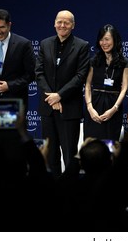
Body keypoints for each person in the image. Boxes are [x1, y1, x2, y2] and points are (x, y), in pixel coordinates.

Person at [35, 10, 90, 179]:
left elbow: (80, 76)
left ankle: (70, 192)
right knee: (50, 154)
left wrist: (59, 96)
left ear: (73, 25)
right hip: (48, 109)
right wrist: (51, 98)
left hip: (69, 109)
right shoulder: (45, 44)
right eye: (59, 22)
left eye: (66, 22)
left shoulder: (82, 46)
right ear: (54, 23)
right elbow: (39, 73)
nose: (62, 25)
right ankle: (54, 192)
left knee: (69, 154)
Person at [83, 24, 128, 141]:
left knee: (110, 144)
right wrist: (90, 108)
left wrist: (114, 109)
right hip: (94, 104)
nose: (104, 43)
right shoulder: (93, 61)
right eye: (101, 39)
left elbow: (124, 88)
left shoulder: (125, 63)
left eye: (107, 39)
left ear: (115, 40)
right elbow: (88, 85)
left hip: (113, 106)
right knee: (91, 144)